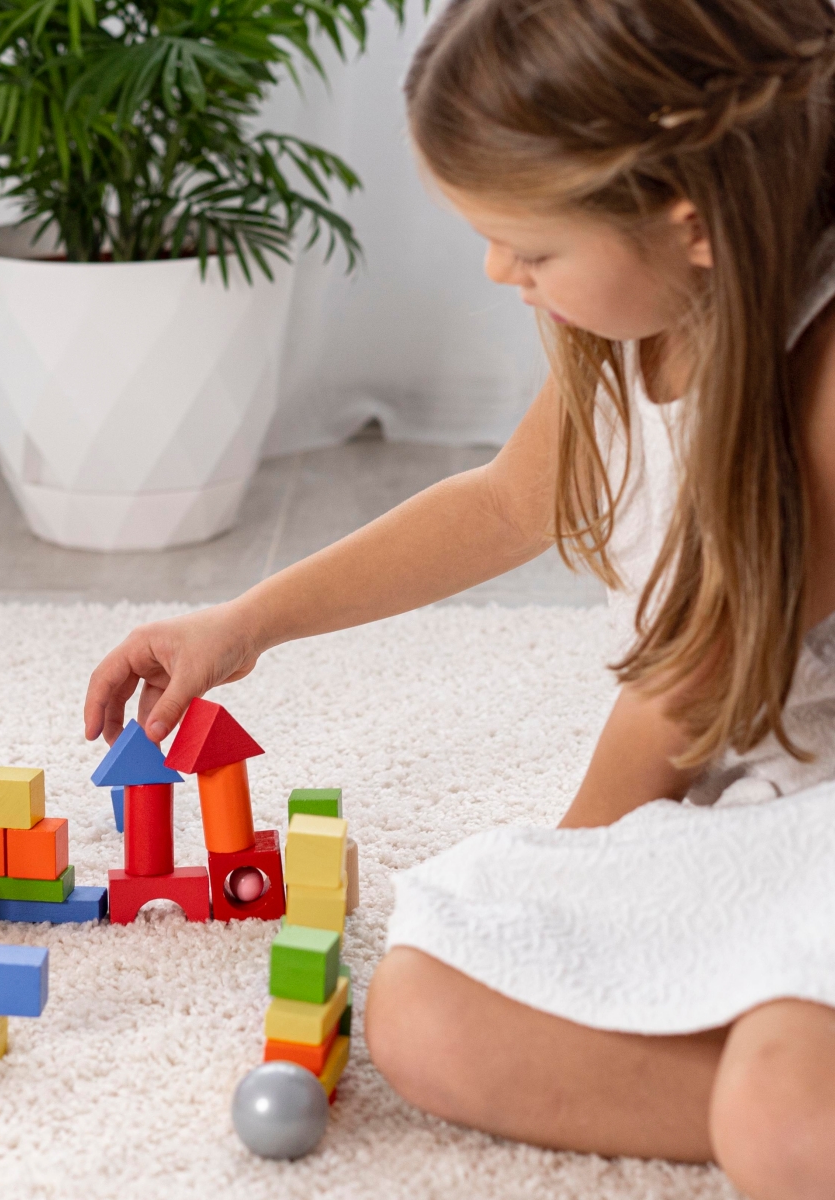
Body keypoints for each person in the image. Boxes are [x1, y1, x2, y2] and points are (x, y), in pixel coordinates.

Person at [80, 1, 835, 1193]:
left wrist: (578, 870)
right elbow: (500, 504)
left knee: (778, 1116)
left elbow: (691, 689)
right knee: (423, 1015)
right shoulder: (636, 323)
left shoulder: (820, 370)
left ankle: (773, 1093)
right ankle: (760, 1060)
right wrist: (244, 626)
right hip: (754, 815)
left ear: (689, 223)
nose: (500, 273)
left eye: (530, 251)